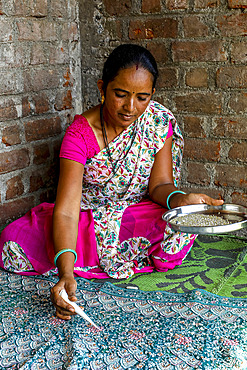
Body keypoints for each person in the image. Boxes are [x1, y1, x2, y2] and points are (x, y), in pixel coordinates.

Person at [0, 44, 223, 320]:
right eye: (120, 95)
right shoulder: (80, 134)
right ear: (102, 88)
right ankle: (80, 258)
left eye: (142, 98)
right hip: (87, 216)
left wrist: (181, 201)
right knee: (13, 241)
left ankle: (94, 253)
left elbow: (159, 187)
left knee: (177, 224)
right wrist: (66, 275)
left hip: (134, 213)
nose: (131, 108)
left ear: (152, 95)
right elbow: (68, 210)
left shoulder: (157, 121)